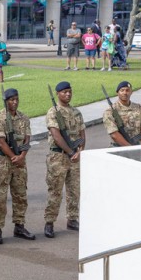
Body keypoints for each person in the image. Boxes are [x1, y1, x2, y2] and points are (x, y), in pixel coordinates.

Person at [0, 88, 35, 244]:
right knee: (0, 197)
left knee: (21, 195)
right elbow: (0, 141)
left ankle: (19, 225)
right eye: (11, 100)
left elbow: (27, 138)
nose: (14, 102)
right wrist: (13, 156)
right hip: (4, 161)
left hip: (20, 162)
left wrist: (22, 156)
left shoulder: (23, 118)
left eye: (16, 99)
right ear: (5, 101)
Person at [44, 82, 85, 239]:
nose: (68, 94)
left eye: (69, 91)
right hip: (58, 157)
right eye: (64, 92)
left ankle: (72, 218)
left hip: (75, 156)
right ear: (58, 94)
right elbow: (56, 134)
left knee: (74, 190)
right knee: (55, 190)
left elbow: (82, 133)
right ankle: (49, 222)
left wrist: (80, 151)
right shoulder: (53, 112)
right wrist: (69, 152)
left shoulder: (76, 112)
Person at [102, 81, 141, 147]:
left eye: (127, 90)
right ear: (117, 93)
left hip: (137, 146)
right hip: (118, 148)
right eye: (122, 90)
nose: (125, 93)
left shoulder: (140, 108)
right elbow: (114, 134)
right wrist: (129, 147)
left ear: (131, 92)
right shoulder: (109, 112)